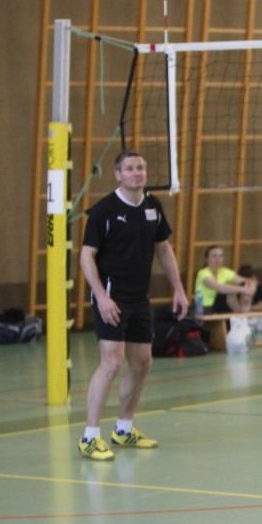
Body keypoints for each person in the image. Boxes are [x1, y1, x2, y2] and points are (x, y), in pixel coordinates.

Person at [78, 150, 189, 461]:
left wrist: (179, 289)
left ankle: (123, 429)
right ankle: (89, 437)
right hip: (111, 297)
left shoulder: (152, 206)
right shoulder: (104, 211)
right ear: (118, 174)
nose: (136, 173)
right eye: (129, 168)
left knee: (142, 362)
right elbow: (86, 256)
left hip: (140, 298)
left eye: (140, 167)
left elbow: (163, 250)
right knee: (111, 363)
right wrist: (101, 297)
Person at [195, 246, 256, 315]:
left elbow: (246, 281)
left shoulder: (225, 271)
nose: (217, 259)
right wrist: (243, 289)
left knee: (243, 287)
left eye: (220, 256)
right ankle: (241, 313)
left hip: (218, 306)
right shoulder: (202, 273)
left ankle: (243, 313)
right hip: (203, 308)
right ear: (206, 259)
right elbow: (219, 288)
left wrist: (250, 287)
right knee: (231, 289)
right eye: (214, 256)